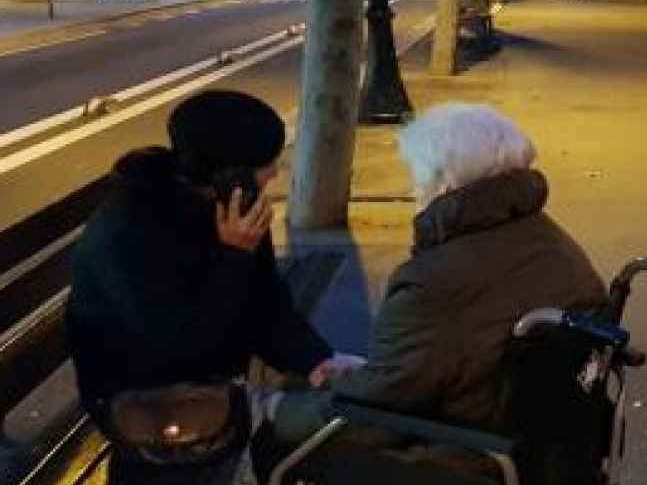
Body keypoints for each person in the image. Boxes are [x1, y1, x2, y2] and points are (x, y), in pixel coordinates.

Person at [270, 103, 606, 442]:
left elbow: (380, 402)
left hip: (465, 453)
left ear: (443, 183)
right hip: (541, 438)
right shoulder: (550, 240)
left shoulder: (432, 284)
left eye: (416, 176)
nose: (413, 190)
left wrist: (277, 408)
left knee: (277, 434)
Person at [67, 91, 354, 462]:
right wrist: (233, 257)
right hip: (145, 405)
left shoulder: (228, 207)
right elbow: (180, 350)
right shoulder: (130, 229)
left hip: (213, 380)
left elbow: (264, 302)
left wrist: (316, 360)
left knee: (351, 396)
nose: (274, 174)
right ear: (230, 174)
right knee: (333, 428)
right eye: (265, 165)